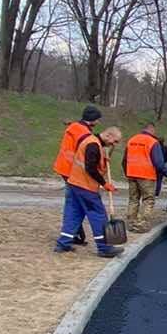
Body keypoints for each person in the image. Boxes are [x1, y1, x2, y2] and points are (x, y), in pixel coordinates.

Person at [55, 126, 124, 257]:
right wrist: (105, 184)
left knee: (73, 214)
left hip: (74, 183)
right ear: (108, 135)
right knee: (98, 215)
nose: (114, 144)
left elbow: (94, 163)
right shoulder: (93, 144)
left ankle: (63, 243)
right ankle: (104, 248)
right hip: (85, 187)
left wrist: (104, 158)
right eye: (115, 141)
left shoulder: (93, 142)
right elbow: (90, 168)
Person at [52, 104, 101, 246]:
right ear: (92, 119)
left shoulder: (74, 127)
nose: (98, 122)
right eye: (97, 119)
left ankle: (75, 234)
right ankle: (73, 235)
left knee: (74, 201)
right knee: (75, 203)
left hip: (63, 167)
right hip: (71, 170)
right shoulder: (83, 132)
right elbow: (88, 145)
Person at [122, 121, 166, 233]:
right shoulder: (153, 142)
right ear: (151, 129)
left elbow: (124, 160)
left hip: (132, 174)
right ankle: (141, 224)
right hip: (146, 176)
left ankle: (131, 223)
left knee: (133, 199)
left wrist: (127, 172)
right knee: (148, 200)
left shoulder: (132, 140)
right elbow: (159, 162)